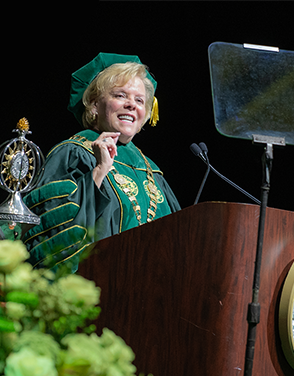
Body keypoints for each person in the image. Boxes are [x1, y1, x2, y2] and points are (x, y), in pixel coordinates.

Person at [22, 53, 181, 273]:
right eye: (120, 95)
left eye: (139, 100)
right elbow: (51, 233)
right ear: (95, 105)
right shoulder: (74, 153)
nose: (131, 105)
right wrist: (98, 172)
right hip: (95, 293)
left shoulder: (152, 171)